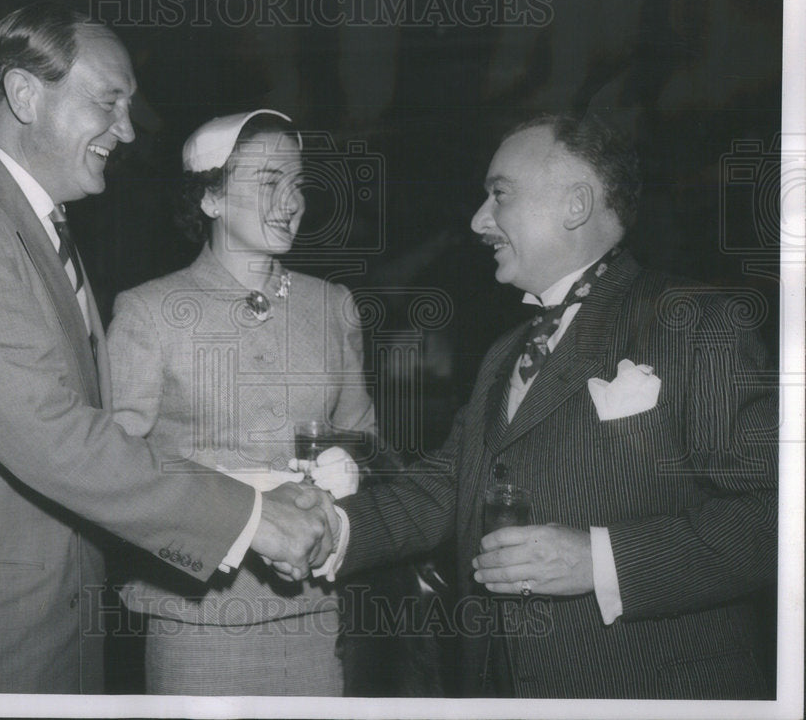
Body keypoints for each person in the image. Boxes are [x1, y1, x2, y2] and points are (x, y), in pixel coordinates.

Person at [0, 4, 338, 694]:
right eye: (109, 102)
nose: (127, 130)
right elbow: (47, 431)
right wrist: (251, 518)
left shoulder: (40, 226)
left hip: (45, 632)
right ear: (24, 94)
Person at [333, 113, 777, 699]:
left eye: (499, 195)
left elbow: (776, 514)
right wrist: (325, 528)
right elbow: (443, 489)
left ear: (575, 204)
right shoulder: (505, 351)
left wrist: (601, 561)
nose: (478, 220)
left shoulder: (697, 322)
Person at [106, 110, 370, 695]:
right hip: (198, 614)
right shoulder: (148, 311)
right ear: (210, 198)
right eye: (268, 181)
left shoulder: (332, 305)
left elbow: (361, 438)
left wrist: (346, 472)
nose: (291, 201)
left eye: (297, 183)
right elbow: (114, 472)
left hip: (314, 606)